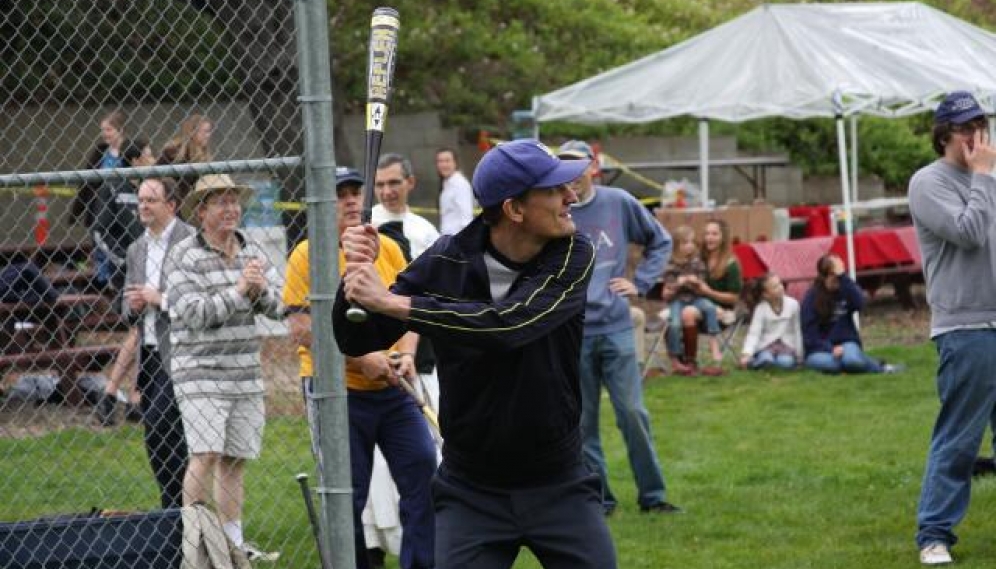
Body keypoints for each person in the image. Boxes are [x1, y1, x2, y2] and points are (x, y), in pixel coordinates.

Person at [334, 139, 617, 568]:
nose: (572, 196)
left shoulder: (573, 254)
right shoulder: (448, 260)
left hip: (558, 481)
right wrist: (353, 278)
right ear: (515, 210)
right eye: (556, 189)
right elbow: (356, 340)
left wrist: (394, 303)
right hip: (472, 490)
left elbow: (509, 324)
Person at [283, 167, 436, 569]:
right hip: (337, 392)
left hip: (393, 390)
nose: (351, 200)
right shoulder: (307, 254)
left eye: (355, 192)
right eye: (341, 194)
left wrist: (405, 354)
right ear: (321, 204)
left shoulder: (386, 248)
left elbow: (410, 313)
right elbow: (302, 330)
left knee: (425, 473)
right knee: (345, 495)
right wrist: (361, 358)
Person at [557, 140, 679, 517]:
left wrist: (640, 283)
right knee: (582, 423)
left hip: (616, 328)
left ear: (593, 167)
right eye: (563, 167)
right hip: (573, 333)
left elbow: (660, 240)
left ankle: (654, 497)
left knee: (632, 414)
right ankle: (601, 499)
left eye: (577, 166)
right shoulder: (553, 208)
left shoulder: (618, 202)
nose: (571, 176)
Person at [165, 174, 282, 561]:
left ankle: (232, 547)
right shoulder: (183, 255)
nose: (231, 209)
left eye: (234, 201)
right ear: (201, 212)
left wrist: (260, 288)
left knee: (234, 459)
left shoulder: (252, 251)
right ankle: (195, 546)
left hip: (245, 371)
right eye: (221, 202)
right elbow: (194, 314)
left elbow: (279, 308)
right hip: (199, 372)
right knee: (207, 453)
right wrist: (238, 293)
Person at [910, 90, 996, 566]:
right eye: (965, 128)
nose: (975, 137)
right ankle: (934, 534)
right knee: (960, 438)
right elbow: (967, 232)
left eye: (979, 126)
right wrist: (983, 176)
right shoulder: (928, 183)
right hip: (965, 327)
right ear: (944, 135)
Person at [118, 177, 194, 508]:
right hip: (148, 354)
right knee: (156, 435)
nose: (144, 207)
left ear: (171, 205)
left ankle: (181, 508)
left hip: (182, 350)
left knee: (166, 426)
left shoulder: (191, 240)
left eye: (151, 200)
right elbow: (125, 306)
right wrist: (133, 305)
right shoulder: (136, 248)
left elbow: (197, 300)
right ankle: (173, 508)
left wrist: (158, 298)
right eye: (141, 201)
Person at [666, 219, 743, 375]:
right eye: (707, 233)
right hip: (694, 303)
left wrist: (708, 292)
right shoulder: (697, 258)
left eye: (714, 234)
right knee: (684, 313)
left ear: (723, 238)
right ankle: (687, 361)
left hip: (721, 310)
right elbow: (670, 279)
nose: (710, 237)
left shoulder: (730, 263)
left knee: (688, 312)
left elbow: (734, 299)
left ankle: (690, 361)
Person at [800, 254, 899, 375]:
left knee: (851, 360)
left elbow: (860, 303)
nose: (838, 279)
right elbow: (810, 336)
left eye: (840, 274)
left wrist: (844, 278)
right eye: (835, 275)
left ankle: (875, 367)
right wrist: (831, 349)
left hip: (847, 343)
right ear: (826, 276)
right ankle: (873, 364)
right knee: (833, 364)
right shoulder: (811, 298)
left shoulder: (846, 288)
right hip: (820, 350)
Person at [662, 225, 725, 376]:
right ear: (677, 246)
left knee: (710, 307)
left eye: (691, 242)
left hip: (696, 298)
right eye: (685, 243)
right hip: (678, 300)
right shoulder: (671, 263)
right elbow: (669, 286)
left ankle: (713, 342)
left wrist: (696, 281)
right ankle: (676, 359)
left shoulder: (697, 261)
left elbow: (702, 279)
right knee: (674, 323)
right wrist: (679, 282)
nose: (689, 246)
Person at [739, 273, 802, 370]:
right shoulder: (760, 308)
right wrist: (746, 353)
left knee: (785, 363)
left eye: (780, 283)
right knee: (766, 358)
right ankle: (757, 361)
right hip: (766, 345)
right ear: (766, 294)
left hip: (787, 345)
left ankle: (760, 364)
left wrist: (800, 355)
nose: (780, 287)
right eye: (775, 287)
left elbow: (797, 330)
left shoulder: (793, 304)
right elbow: (754, 333)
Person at [159, 114, 214, 207]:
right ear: (193, 131)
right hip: (171, 200)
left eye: (209, 132)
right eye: (205, 132)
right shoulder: (175, 151)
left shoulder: (203, 155)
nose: (208, 135)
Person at [435, 147, 475, 235]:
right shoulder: (447, 183)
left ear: (455, 163)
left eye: (447, 161)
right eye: (440, 161)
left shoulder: (460, 184)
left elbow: (466, 217)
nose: (443, 164)